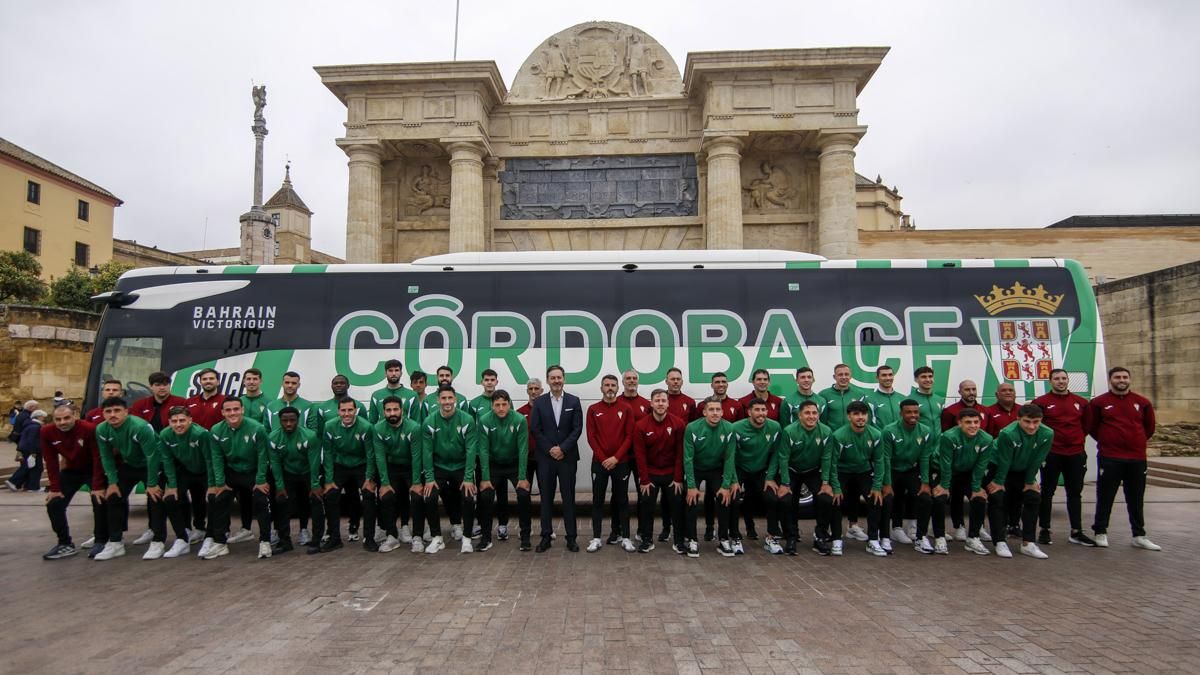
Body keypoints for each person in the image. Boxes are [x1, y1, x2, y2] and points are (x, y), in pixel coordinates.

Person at [1087, 367, 1160, 551]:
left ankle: (1139, 535)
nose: (1122, 380)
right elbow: (1092, 427)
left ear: (1129, 379)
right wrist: (1107, 440)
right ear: (1110, 380)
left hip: (1136, 459)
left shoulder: (1142, 402)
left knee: (1136, 497)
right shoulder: (1099, 403)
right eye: (1117, 377)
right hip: (1110, 457)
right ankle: (1100, 532)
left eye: (1125, 377)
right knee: (1105, 496)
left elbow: (1149, 428)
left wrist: (1136, 441)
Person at [93, 397, 165, 561]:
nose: (113, 415)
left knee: (155, 497)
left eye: (117, 411)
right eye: (108, 412)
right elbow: (106, 457)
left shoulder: (140, 427)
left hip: (152, 464)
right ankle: (116, 542)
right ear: (103, 414)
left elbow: (152, 456)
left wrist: (152, 483)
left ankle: (158, 541)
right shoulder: (101, 430)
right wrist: (112, 482)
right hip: (130, 465)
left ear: (126, 412)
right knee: (113, 496)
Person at [1033, 369, 1096, 546]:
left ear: (1068, 380)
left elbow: (1087, 426)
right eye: (1056, 379)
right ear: (1050, 381)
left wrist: (1075, 441)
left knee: (1075, 493)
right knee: (1047, 492)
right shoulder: (1041, 403)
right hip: (1052, 454)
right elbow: (1035, 427)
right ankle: (1045, 529)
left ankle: (1076, 531)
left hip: (1075, 454)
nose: (1060, 381)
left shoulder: (1081, 403)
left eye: (1063, 378)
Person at [767, 399, 834, 556]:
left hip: (812, 471)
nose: (811, 416)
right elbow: (783, 457)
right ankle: (791, 536)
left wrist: (825, 482)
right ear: (799, 415)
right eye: (807, 413)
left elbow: (826, 458)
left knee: (825, 498)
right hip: (792, 470)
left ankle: (820, 537)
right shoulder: (789, 431)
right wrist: (785, 483)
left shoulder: (826, 432)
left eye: (814, 413)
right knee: (786, 499)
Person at [208, 398, 272, 559]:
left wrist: (260, 480)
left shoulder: (257, 428)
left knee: (260, 500)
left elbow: (263, 456)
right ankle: (220, 543)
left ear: (242, 410)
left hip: (254, 471)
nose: (232, 413)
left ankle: (265, 541)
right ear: (222, 412)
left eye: (236, 409)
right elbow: (216, 458)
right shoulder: (215, 430)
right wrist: (220, 483)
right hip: (232, 472)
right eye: (228, 410)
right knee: (218, 498)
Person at [987, 403, 1052, 559]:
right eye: (1027, 422)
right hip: (999, 467)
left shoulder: (1048, 433)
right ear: (1018, 419)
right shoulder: (1008, 433)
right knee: (998, 497)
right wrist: (999, 482)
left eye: (1036, 422)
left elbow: (1038, 459)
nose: (1031, 426)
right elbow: (1004, 460)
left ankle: (1028, 543)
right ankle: (999, 541)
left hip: (1023, 469)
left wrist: (1030, 481)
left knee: (1033, 497)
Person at [421, 385, 480, 554]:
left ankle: (467, 539)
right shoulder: (429, 421)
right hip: (439, 468)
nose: (447, 402)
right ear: (438, 400)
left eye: (450, 398)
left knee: (468, 498)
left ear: (455, 399)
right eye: (443, 398)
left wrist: (468, 477)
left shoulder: (467, 419)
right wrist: (430, 478)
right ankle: (437, 538)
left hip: (461, 467)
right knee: (429, 498)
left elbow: (471, 451)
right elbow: (427, 452)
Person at [821, 401, 885, 556]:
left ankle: (873, 540)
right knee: (835, 500)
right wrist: (835, 487)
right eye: (856, 414)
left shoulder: (876, 434)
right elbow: (832, 463)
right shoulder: (839, 435)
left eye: (863, 414)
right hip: (842, 472)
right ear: (849, 416)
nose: (860, 417)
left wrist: (877, 487)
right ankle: (836, 539)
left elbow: (879, 461)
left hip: (863, 471)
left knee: (876, 500)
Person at [530, 365, 583, 552]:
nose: (556, 381)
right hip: (546, 458)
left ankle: (571, 538)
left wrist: (562, 448)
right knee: (546, 499)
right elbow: (536, 429)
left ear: (564, 379)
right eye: (553, 378)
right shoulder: (539, 402)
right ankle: (545, 536)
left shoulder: (574, 401)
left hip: (567, 458)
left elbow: (577, 429)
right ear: (548, 380)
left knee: (569, 498)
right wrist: (550, 449)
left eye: (559, 377)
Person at [41, 404, 105, 559]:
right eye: (58, 419)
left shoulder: (89, 429)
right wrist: (54, 488)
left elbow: (98, 457)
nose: (63, 422)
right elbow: (51, 461)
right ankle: (65, 543)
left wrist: (97, 486)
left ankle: (101, 539)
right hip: (71, 470)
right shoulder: (46, 432)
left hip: (92, 468)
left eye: (66, 418)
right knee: (54, 503)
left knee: (100, 500)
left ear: (75, 416)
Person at [475, 390, 533, 551]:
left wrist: (522, 476)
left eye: (504, 404)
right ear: (492, 406)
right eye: (497, 405)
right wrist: (485, 478)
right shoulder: (485, 420)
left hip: (514, 464)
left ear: (509, 404)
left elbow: (523, 449)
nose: (501, 408)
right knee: (485, 496)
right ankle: (486, 538)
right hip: (494, 465)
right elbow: (483, 451)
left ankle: (526, 537)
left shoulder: (519, 419)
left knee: (523, 494)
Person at [364, 396, 422, 553]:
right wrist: (384, 483)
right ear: (383, 412)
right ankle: (391, 536)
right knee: (386, 496)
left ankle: (417, 536)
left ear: (401, 410)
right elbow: (379, 457)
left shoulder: (414, 427)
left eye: (395, 409)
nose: (392, 413)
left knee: (417, 496)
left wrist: (417, 482)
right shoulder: (378, 428)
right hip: (391, 467)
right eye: (388, 410)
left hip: (410, 467)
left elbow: (417, 457)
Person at [683, 397, 738, 557]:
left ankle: (723, 539)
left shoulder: (729, 428)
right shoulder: (692, 428)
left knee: (724, 498)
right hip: (696, 468)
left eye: (718, 410)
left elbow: (729, 458)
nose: (715, 413)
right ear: (704, 412)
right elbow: (688, 458)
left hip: (715, 469)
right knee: (690, 499)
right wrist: (692, 486)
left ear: (722, 412)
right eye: (711, 410)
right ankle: (692, 540)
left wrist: (726, 485)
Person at [632, 389, 685, 554]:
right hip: (651, 474)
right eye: (657, 400)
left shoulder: (678, 424)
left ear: (668, 403)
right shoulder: (641, 425)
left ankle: (679, 541)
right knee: (646, 505)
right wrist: (644, 480)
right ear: (651, 403)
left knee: (677, 506)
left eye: (663, 400)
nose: (660, 403)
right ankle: (647, 540)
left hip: (671, 473)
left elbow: (680, 453)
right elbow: (640, 455)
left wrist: (678, 478)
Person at [880, 400, 937, 552]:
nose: (913, 415)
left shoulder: (926, 431)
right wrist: (887, 483)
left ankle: (920, 538)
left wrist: (925, 482)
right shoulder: (889, 431)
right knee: (888, 498)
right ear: (901, 413)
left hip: (912, 470)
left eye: (916, 412)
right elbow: (885, 458)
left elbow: (925, 458)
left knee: (925, 498)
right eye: (909, 412)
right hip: (892, 469)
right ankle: (886, 535)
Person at [585, 375, 634, 552]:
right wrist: (604, 458)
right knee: (598, 500)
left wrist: (616, 458)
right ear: (601, 388)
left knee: (622, 500)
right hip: (599, 463)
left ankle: (626, 537)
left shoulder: (626, 408)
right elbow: (591, 436)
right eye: (607, 385)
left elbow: (629, 436)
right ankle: (596, 538)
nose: (610, 388)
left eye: (613, 385)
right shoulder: (593, 409)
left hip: (621, 463)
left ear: (617, 387)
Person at [154, 406, 210, 559]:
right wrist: (171, 485)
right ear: (169, 422)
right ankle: (182, 539)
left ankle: (211, 537)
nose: (178, 424)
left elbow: (211, 460)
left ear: (190, 420)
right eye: (174, 421)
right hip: (186, 471)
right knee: (170, 498)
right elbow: (167, 460)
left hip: (205, 470)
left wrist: (213, 484)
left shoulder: (201, 434)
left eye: (182, 420)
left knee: (214, 497)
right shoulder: (165, 435)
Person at [730, 399, 785, 554]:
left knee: (772, 498)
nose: (761, 413)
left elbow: (776, 454)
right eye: (757, 410)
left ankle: (771, 537)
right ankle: (734, 537)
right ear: (749, 412)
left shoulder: (775, 427)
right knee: (733, 499)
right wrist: (734, 480)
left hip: (761, 470)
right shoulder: (736, 428)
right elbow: (730, 456)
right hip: (740, 468)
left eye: (764, 410)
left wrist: (770, 477)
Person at [939, 408, 997, 555]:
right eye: (968, 422)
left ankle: (973, 538)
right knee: (939, 498)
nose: (973, 426)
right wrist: (944, 486)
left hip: (968, 474)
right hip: (947, 472)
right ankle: (940, 537)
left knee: (979, 499)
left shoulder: (987, 439)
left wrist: (976, 487)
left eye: (976, 422)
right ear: (959, 423)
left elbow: (981, 465)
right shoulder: (949, 436)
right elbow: (946, 463)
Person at [318, 396, 373, 549]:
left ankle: (369, 538)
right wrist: (329, 480)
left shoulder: (366, 427)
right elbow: (327, 454)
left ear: (356, 411)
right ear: (338, 412)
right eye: (343, 410)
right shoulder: (329, 426)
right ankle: (334, 538)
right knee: (330, 495)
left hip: (360, 465)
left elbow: (370, 455)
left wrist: (369, 478)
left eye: (350, 410)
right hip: (340, 465)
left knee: (368, 495)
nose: (347, 414)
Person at [266, 406, 318, 555]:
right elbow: (275, 463)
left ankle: (315, 540)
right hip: (288, 472)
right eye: (285, 420)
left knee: (315, 501)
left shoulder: (310, 436)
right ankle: (285, 541)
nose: (289, 424)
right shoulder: (273, 437)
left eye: (292, 420)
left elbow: (314, 462)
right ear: (280, 421)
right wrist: (279, 486)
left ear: (298, 420)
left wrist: (315, 485)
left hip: (308, 472)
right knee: (282, 502)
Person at [819, 364, 867, 431]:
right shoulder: (823, 394)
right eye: (840, 375)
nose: (844, 377)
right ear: (834, 377)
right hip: (832, 437)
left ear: (850, 376)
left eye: (846, 374)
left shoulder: (860, 394)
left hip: (853, 436)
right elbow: (821, 419)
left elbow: (865, 417)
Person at [265, 371, 314, 435]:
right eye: (287, 382)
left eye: (294, 383)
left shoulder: (308, 406)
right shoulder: (271, 406)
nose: (290, 385)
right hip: (277, 444)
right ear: (282, 384)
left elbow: (312, 433)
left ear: (298, 385)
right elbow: (266, 431)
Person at [10, 408, 46, 492]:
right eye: (43, 417)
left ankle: (30, 486)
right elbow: (32, 440)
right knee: (34, 467)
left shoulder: (30, 425)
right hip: (32, 450)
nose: (44, 418)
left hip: (26, 449)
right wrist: (33, 453)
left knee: (31, 467)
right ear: (39, 417)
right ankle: (15, 482)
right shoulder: (35, 427)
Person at [368, 359, 414, 424]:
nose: (394, 373)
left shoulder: (412, 395)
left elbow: (416, 423)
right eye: (390, 370)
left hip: (406, 433)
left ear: (401, 373)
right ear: (385, 373)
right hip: (382, 433)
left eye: (396, 370)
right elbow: (372, 422)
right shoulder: (376, 395)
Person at [908, 366, 944, 441]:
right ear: (916, 379)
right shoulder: (909, 400)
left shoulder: (939, 399)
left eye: (930, 376)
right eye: (923, 377)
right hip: (919, 445)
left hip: (938, 445)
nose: (928, 380)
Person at [864, 365, 903, 430]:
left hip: (902, 438)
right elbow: (867, 425)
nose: (888, 378)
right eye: (884, 375)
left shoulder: (903, 398)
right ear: (877, 377)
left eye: (890, 375)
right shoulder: (869, 400)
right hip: (880, 438)